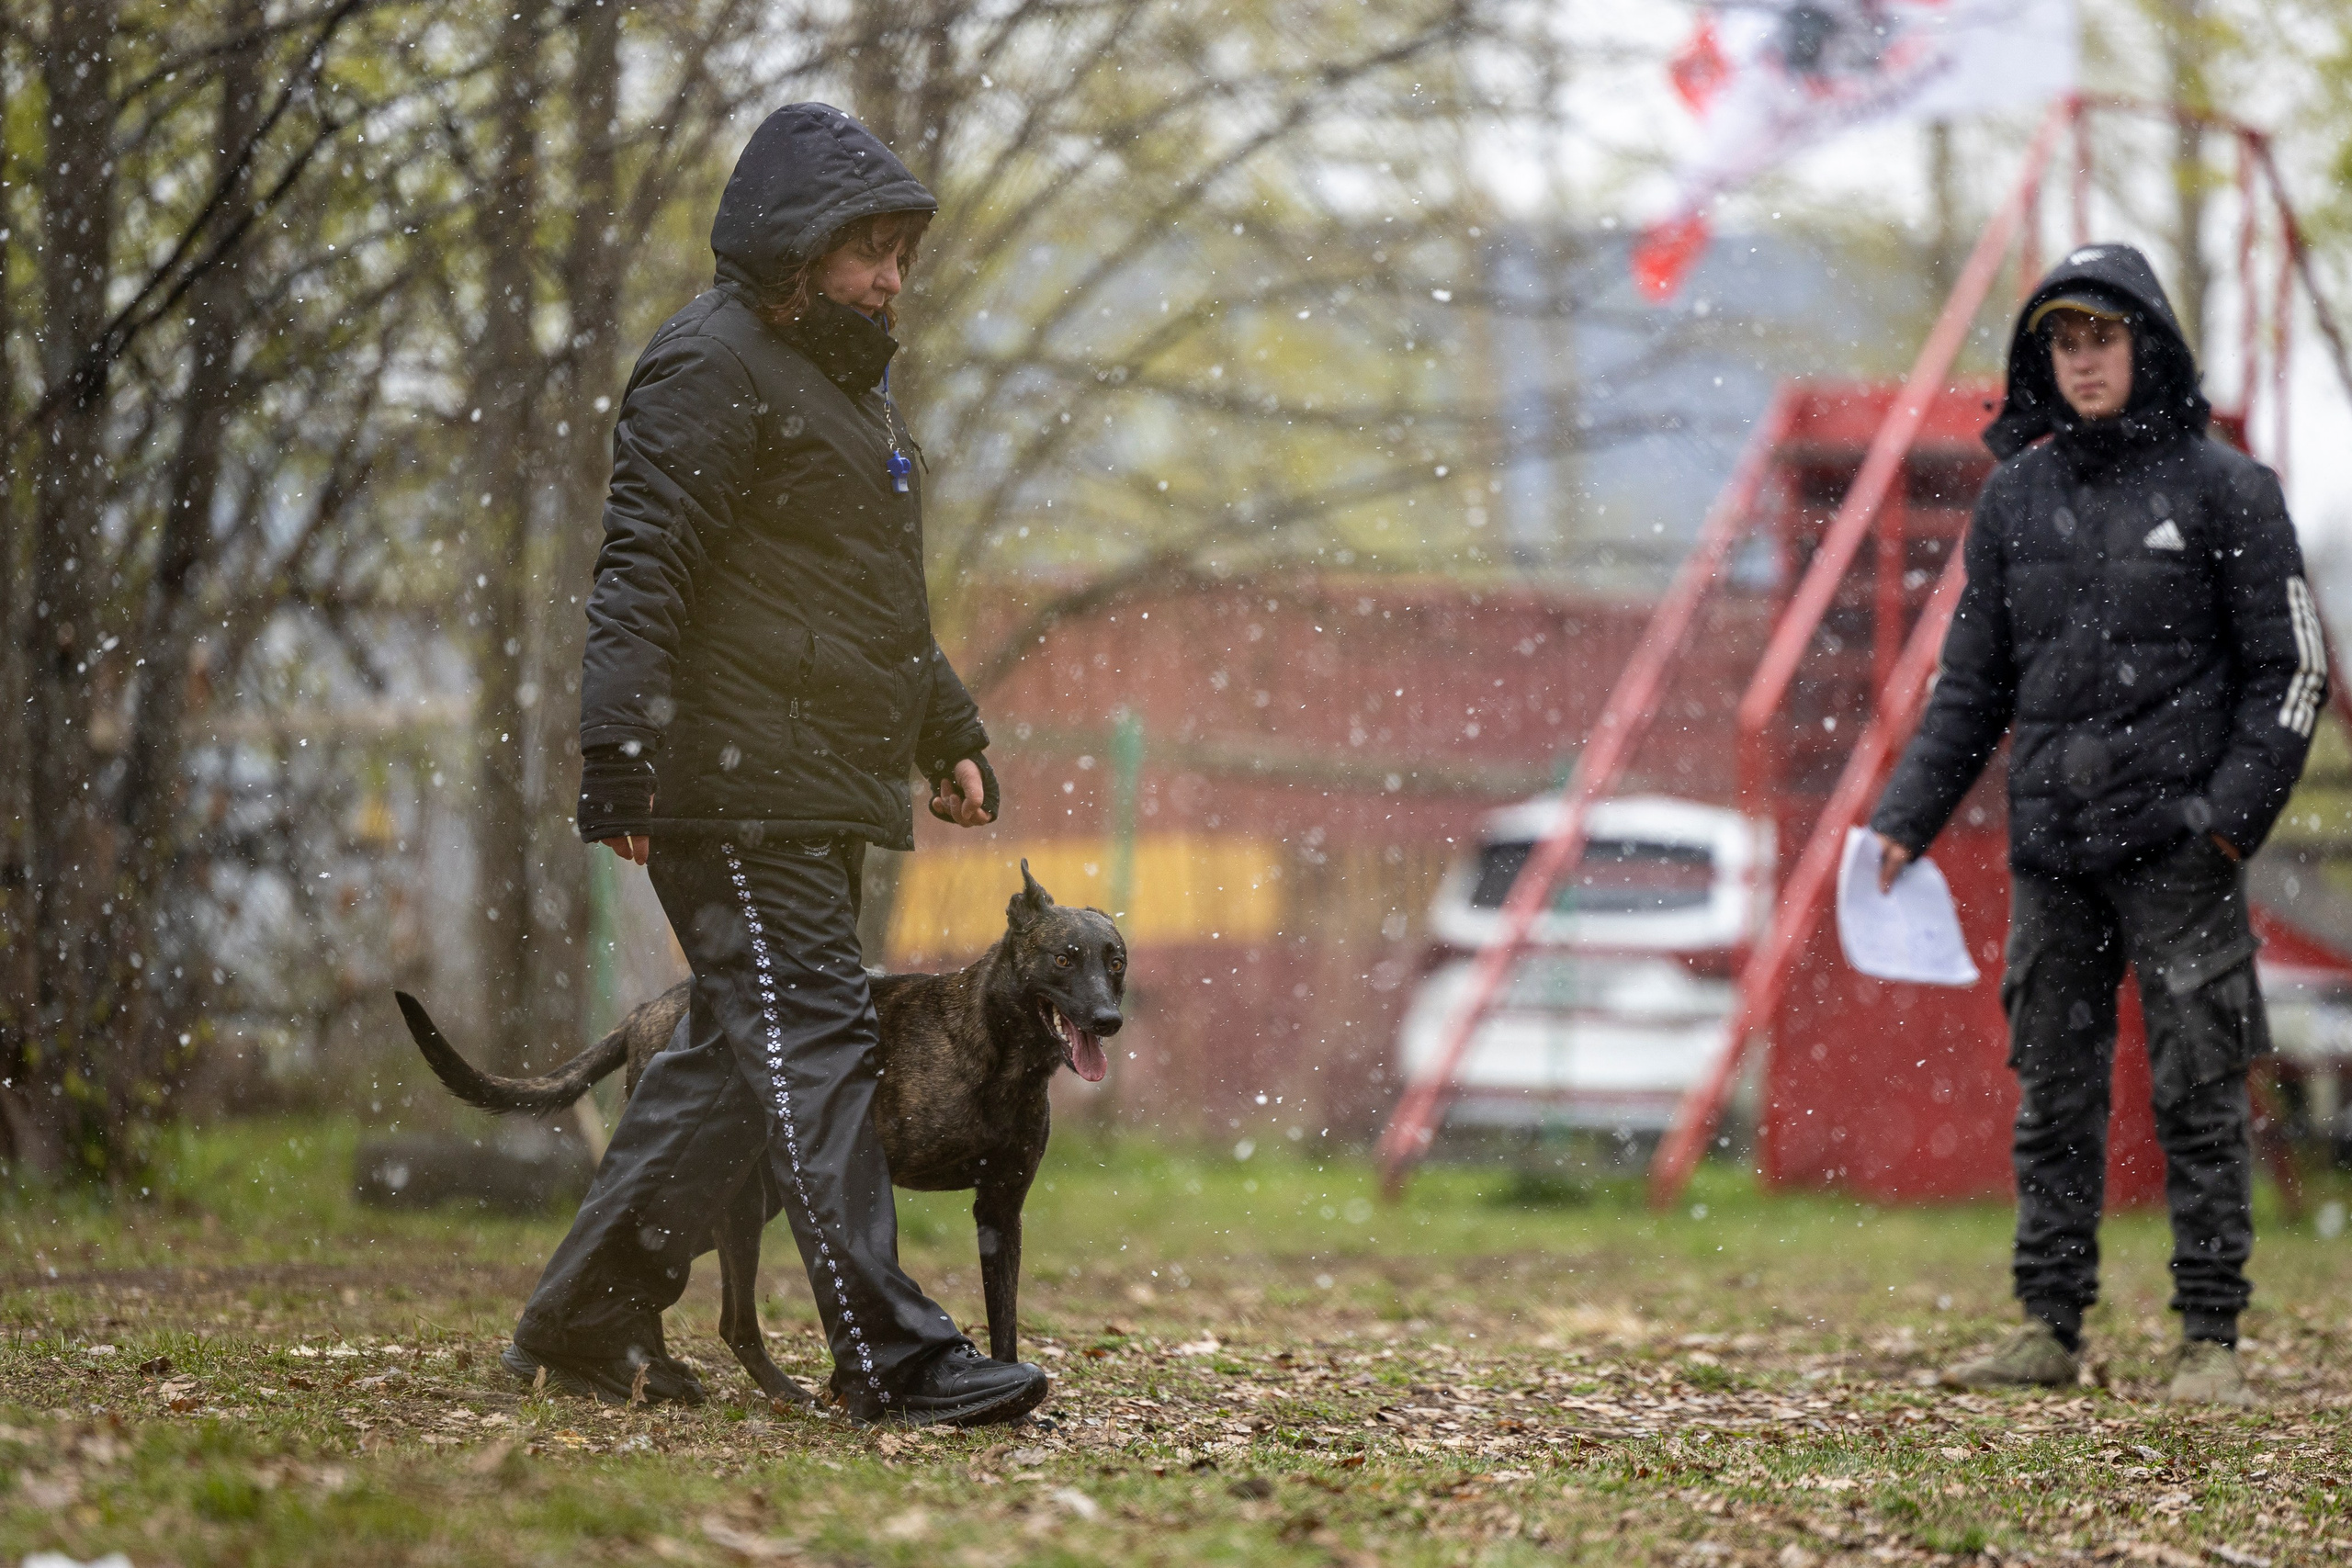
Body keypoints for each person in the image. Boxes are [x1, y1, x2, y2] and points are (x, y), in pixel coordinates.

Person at [500, 104, 1045, 1427]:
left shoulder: (848, 391)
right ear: (796, 246)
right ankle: (892, 1353)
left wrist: (945, 726)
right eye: (869, 251)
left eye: (902, 256)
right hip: (733, 785)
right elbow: (642, 573)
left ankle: (584, 1317)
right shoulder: (710, 363)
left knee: (742, 1064)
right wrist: (621, 751)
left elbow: (867, 607)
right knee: (816, 1046)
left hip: (801, 784)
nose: (891, 278)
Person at [1869, 242, 2324, 1405]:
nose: (2082, 363)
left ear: (2146, 346)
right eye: (2062, 345)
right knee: (2055, 1092)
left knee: (2198, 1090)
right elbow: (1969, 686)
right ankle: (2045, 1328)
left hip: (2181, 854)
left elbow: (2293, 675)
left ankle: (2209, 1342)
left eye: (2101, 340)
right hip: (2054, 857)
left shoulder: (2230, 490)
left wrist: (2224, 823)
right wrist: (1904, 819)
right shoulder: (2014, 497)